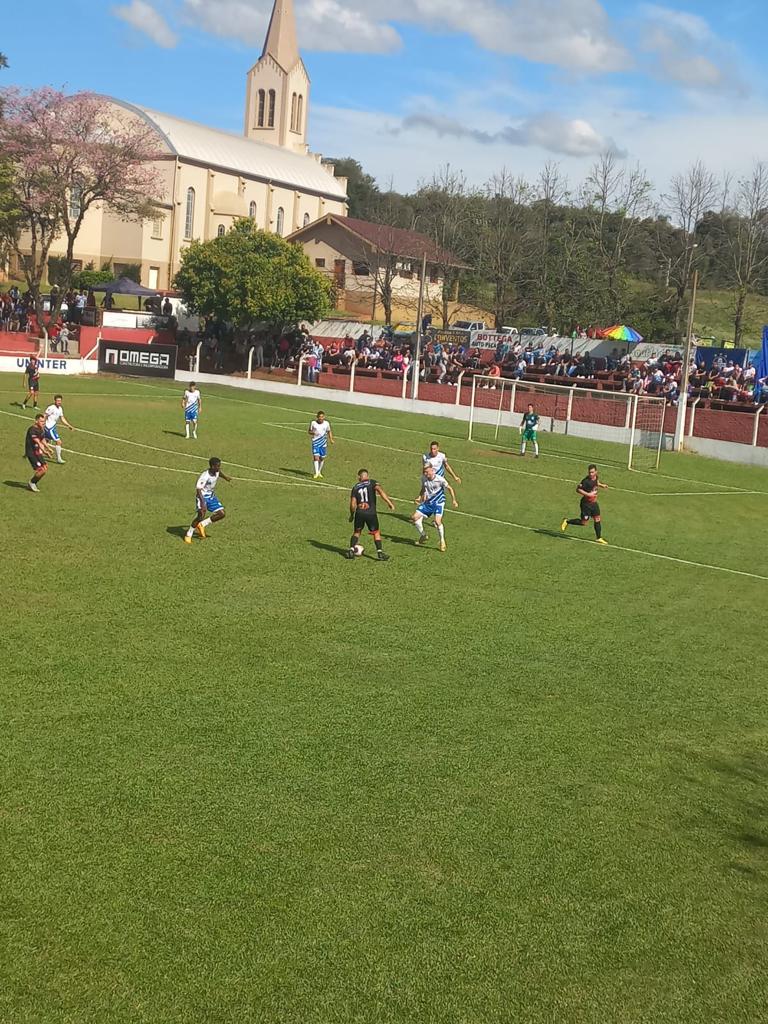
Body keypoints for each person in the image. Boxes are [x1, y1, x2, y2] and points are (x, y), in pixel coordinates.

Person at [346, 469, 395, 561]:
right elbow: (380, 491)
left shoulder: (355, 487)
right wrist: (389, 503)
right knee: (376, 532)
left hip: (359, 513)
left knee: (357, 532)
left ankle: (351, 550)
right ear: (367, 476)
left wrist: (352, 515)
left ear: (359, 477)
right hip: (370, 513)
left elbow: (353, 504)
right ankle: (380, 553)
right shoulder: (372, 482)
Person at [411, 464, 459, 552]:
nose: (426, 474)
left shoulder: (440, 479)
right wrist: (419, 497)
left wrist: (454, 500)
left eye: (427, 472)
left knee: (437, 521)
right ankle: (423, 535)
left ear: (432, 471)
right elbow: (423, 488)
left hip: (439, 503)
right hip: (428, 503)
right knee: (414, 517)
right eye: (424, 472)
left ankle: (442, 541)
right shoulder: (424, 479)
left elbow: (450, 488)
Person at [184, 457, 231, 543]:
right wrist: (203, 503)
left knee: (222, 514)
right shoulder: (205, 476)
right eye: (218, 466)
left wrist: (225, 477)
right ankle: (189, 534)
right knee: (201, 515)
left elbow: (219, 473)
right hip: (202, 496)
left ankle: (202, 524)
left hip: (211, 497)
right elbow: (198, 489)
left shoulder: (216, 471)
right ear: (212, 466)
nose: (219, 468)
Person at [560, 464, 609, 544]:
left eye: (592, 472)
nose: (591, 474)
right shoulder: (586, 481)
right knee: (584, 523)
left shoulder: (596, 477)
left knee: (597, 519)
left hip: (594, 503)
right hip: (586, 504)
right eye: (589, 472)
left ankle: (599, 538)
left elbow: (596, 482)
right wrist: (588, 494)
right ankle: (567, 521)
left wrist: (602, 485)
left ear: (596, 472)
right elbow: (578, 489)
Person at [25, 412, 53, 492]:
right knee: (41, 470)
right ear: (36, 421)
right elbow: (38, 442)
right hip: (31, 453)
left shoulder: (41, 429)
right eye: (41, 421)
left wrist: (48, 448)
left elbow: (42, 439)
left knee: (45, 467)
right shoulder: (32, 430)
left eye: (44, 421)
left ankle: (33, 482)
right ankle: (32, 483)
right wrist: (45, 451)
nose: (43, 423)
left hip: (37, 452)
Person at [43, 395, 74, 464]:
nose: (59, 402)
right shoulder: (51, 408)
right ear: (55, 401)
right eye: (57, 401)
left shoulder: (60, 409)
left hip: (52, 427)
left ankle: (36, 453)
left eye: (60, 401)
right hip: (49, 428)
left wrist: (68, 425)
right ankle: (59, 459)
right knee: (58, 442)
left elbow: (62, 418)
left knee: (45, 441)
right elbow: (45, 415)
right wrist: (42, 425)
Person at [308, 411, 333, 479]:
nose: (321, 418)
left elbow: (329, 431)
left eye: (322, 417)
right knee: (316, 457)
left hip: (323, 443)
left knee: (322, 458)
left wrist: (331, 439)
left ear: (324, 417)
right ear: (317, 417)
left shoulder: (326, 423)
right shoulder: (313, 423)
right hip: (315, 442)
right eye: (319, 417)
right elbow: (309, 431)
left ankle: (319, 471)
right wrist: (312, 432)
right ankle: (316, 473)